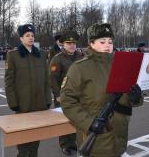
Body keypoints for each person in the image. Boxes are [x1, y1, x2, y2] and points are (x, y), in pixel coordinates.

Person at [60, 23, 143, 157]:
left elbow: (126, 98)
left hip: (119, 134)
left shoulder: (122, 64)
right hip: (97, 135)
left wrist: (136, 97)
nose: (107, 45)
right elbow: (67, 101)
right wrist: (88, 123)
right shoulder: (80, 68)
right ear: (91, 43)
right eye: (102, 41)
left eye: (110, 42)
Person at [4, 23, 51, 157]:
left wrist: (47, 99)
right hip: (23, 104)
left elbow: (46, 81)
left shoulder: (41, 55)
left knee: (36, 138)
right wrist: (13, 102)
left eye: (32, 35)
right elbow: (9, 81)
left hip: (39, 103)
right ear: (21, 38)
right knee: (23, 140)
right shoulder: (13, 55)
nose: (30, 38)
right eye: (27, 35)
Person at [49, 30, 83, 155]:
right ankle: (66, 145)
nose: (72, 45)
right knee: (64, 121)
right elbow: (53, 79)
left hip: (79, 96)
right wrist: (57, 95)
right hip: (63, 96)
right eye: (69, 43)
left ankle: (74, 142)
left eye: (74, 43)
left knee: (77, 119)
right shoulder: (57, 59)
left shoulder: (81, 56)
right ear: (63, 44)